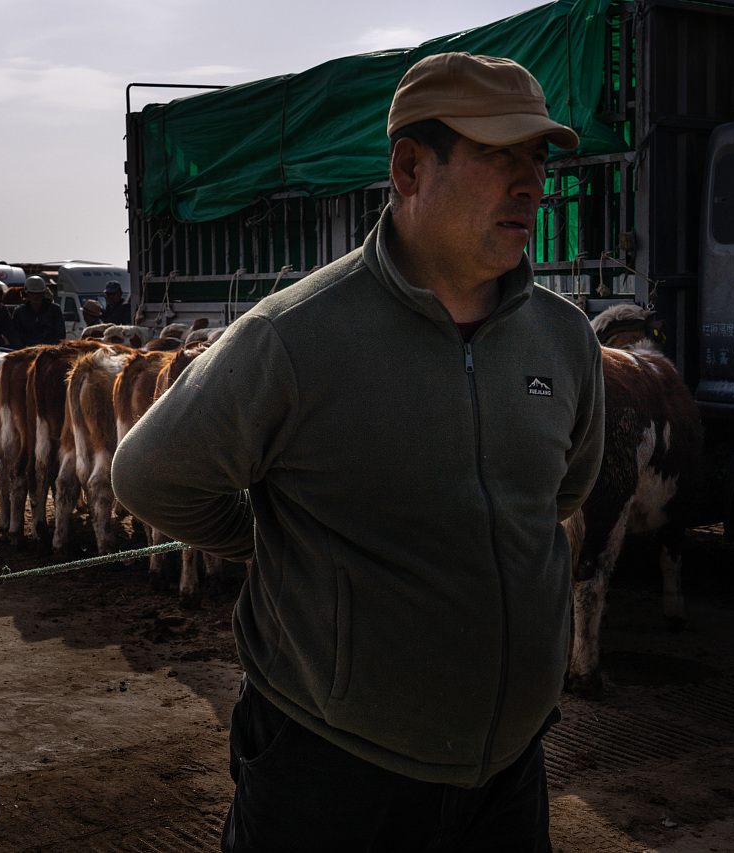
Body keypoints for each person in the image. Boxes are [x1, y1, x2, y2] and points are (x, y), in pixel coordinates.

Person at [112, 52, 604, 851]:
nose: (530, 183)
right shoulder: (295, 335)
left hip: (509, 773)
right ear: (410, 168)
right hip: (331, 774)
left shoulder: (565, 338)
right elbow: (150, 475)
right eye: (497, 154)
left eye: (538, 158)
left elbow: (560, 494)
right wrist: (269, 536)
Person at [12, 275, 65, 346]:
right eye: (32, 293)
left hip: (50, 349)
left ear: (43, 293)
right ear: (27, 294)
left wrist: (52, 348)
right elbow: (15, 335)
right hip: (26, 350)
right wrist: (23, 348)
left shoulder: (54, 310)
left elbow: (60, 334)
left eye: (39, 294)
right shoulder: (19, 311)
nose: (35, 296)